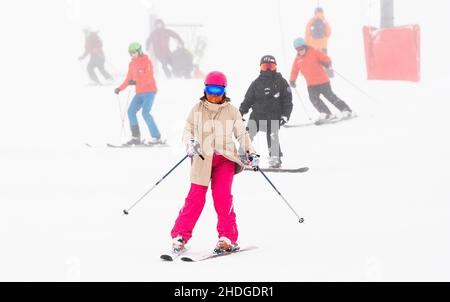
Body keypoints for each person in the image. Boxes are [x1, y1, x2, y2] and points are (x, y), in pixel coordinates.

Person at [170, 71, 259, 255]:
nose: (213, 94)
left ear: (224, 91)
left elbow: (241, 134)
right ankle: (180, 236)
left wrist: (251, 152)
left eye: (217, 90)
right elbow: (187, 129)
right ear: (204, 89)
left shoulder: (232, 111)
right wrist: (191, 142)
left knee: (222, 197)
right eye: (210, 89)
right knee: (195, 199)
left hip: (225, 160)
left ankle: (227, 238)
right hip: (202, 160)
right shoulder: (197, 109)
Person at [239, 55, 293, 169]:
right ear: (260, 68)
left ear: (275, 67)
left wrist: (285, 116)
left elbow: (287, 101)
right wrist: (241, 112)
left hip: (274, 116)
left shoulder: (281, 82)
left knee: (273, 134)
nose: (268, 70)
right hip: (257, 116)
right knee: (248, 134)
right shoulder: (256, 83)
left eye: (271, 67)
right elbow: (248, 99)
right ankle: (242, 155)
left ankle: (275, 158)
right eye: (265, 67)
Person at [289, 37, 353, 124]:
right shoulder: (297, 59)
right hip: (311, 84)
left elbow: (326, 58)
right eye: (297, 49)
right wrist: (292, 80)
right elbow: (294, 70)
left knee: (330, 97)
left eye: (301, 48)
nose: (300, 51)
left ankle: (346, 110)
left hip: (323, 82)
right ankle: (326, 113)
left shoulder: (314, 52)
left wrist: (326, 63)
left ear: (305, 46)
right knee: (313, 99)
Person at [114, 42, 162, 145]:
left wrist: (136, 82)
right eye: (130, 53)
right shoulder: (132, 64)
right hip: (139, 93)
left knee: (145, 113)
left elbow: (148, 77)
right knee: (131, 111)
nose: (132, 55)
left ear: (139, 51)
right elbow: (128, 79)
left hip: (149, 91)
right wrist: (119, 88)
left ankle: (157, 137)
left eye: (134, 53)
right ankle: (136, 137)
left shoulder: (147, 62)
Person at [305, 7, 333, 77]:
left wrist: (307, 44)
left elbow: (307, 33)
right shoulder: (324, 21)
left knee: (313, 61)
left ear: (315, 13)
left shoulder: (311, 21)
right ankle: (328, 74)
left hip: (312, 46)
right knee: (324, 60)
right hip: (323, 46)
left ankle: (313, 75)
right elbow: (329, 33)